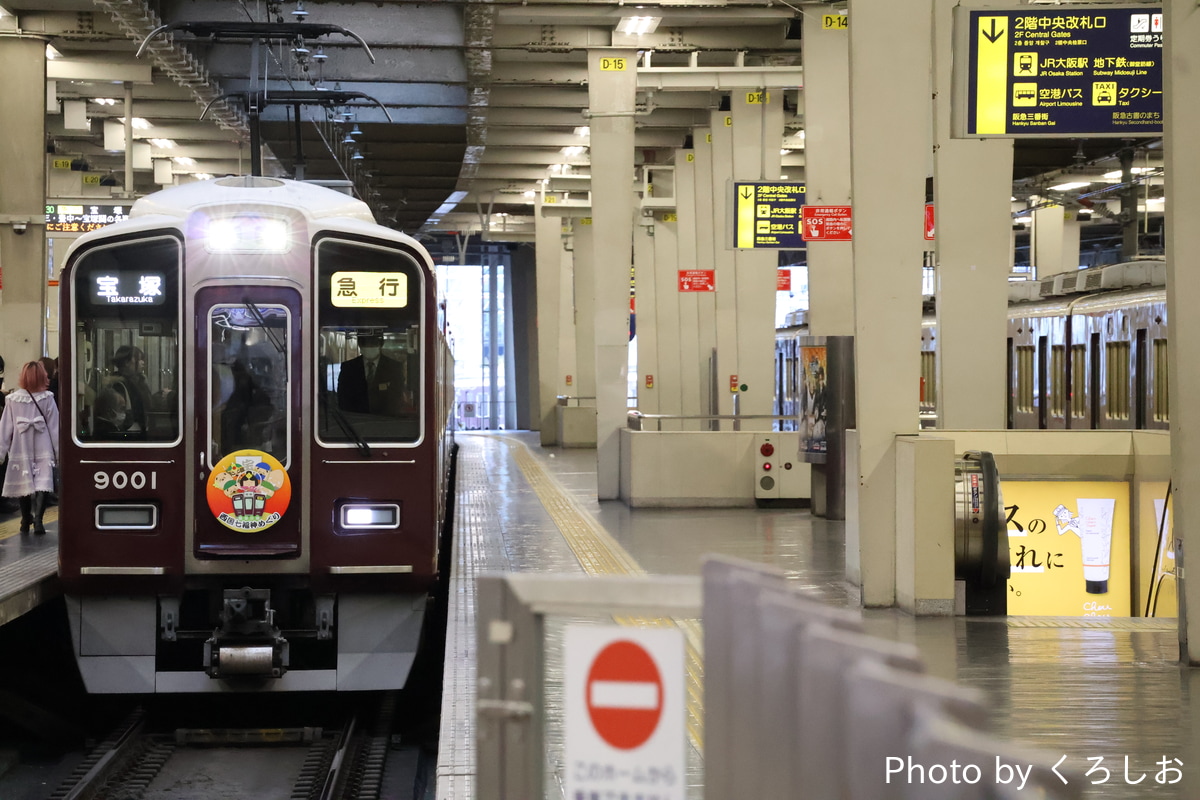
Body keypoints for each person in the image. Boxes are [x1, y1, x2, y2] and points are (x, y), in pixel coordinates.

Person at [0, 361, 60, 535]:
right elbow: (55, 427)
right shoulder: (47, 398)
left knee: (23, 484)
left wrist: (2, 452)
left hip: (21, 447)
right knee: (43, 483)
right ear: (43, 376)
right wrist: (58, 453)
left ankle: (26, 519)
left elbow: (5, 427)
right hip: (43, 446)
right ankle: (39, 521)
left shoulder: (12, 399)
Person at [336, 335, 411, 415]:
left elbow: (397, 398)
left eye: (373, 343)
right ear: (360, 345)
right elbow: (343, 398)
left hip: (386, 421)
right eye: (365, 344)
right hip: (353, 422)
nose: (369, 347)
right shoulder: (348, 367)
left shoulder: (394, 367)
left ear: (380, 344)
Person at [106, 345, 152, 432]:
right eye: (139, 359)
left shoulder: (139, 382)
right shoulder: (118, 385)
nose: (143, 363)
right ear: (127, 362)